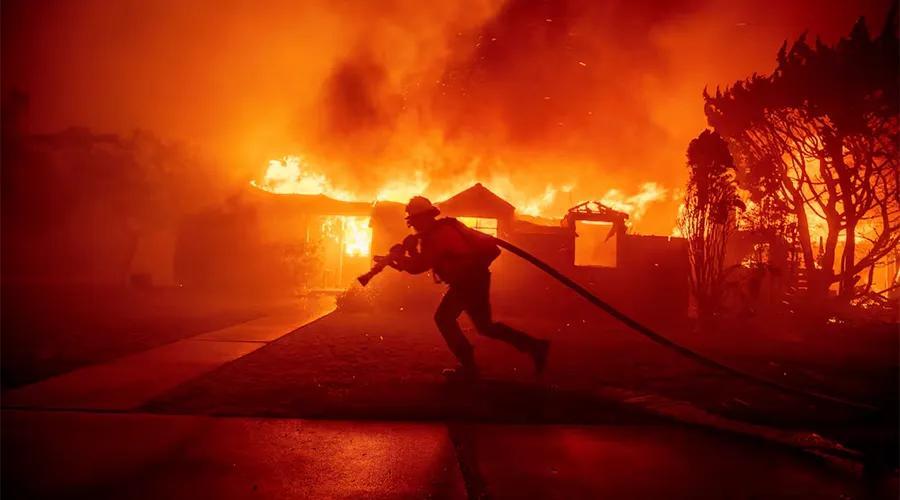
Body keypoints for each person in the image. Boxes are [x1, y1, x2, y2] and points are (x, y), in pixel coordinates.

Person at [376, 196, 550, 380]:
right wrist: (401, 257)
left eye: (415, 220)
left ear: (424, 217)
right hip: (472, 279)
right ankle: (535, 346)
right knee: (484, 326)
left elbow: (419, 266)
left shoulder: (438, 235)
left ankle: (470, 367)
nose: (414, 225)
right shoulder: (437, 232)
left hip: (468, 281)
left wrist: (401, 257)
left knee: (444, 319)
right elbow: (421, 263)